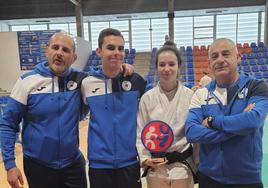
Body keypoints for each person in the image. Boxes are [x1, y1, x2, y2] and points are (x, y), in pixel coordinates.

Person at [0, 31, 134, 188]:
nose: (59, 53)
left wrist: (120, 67)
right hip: (38, 165)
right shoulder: (26, 82)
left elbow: (103, 74)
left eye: (65, 50)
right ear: (47, 50)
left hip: (72, 165)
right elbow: (8, 124)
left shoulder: (81, 80)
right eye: (55, 47)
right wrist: (10, 164)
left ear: (74, 58)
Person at [185, 38, 268, 188]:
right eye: (215, 56)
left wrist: (211, 121)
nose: (220, 60)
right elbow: (191, 132)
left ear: (238, 58)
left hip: (247, 180)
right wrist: (237, 129)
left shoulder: (256, 87)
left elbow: (252, 121)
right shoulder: (201, 94)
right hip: (209, 178)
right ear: (209, 64)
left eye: (226, 54)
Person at [81, 28, 146, 188]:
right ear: (98, 51)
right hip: (99, 164)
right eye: (110, 48)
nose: (117, 52)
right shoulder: (86, 83)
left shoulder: (136, 81)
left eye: (120, 48)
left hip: (130, 161)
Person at [136, 41, 196, 188]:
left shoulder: (190, 96)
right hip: (156, 167)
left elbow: (196, 134)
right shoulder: (147, 98)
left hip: (182, 166)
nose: (166, 69)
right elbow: (140, 132)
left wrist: (198, 163)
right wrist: (145, 159)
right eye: (162, 64)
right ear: (156, 67)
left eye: (171, 64)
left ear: (179, 66)